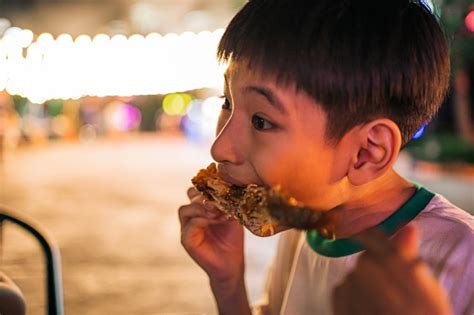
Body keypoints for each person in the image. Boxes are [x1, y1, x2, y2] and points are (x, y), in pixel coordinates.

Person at [178, 0, 474, 314]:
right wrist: (228, 285)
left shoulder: (461, 259)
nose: (219, 149)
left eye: (261, 121)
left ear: (366, 152)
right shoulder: (305, 235)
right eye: (227, 102)